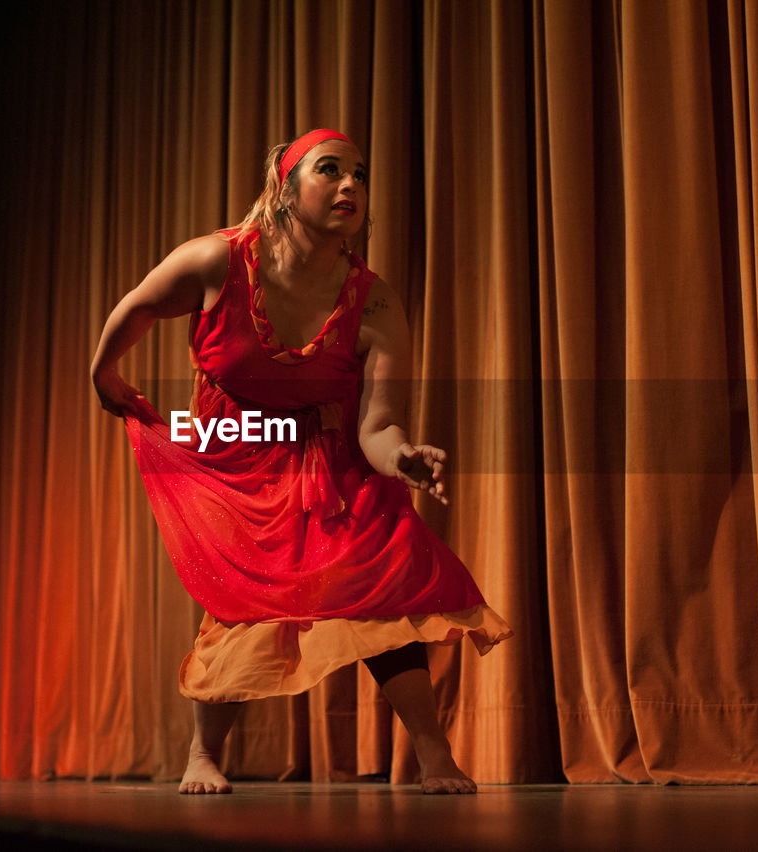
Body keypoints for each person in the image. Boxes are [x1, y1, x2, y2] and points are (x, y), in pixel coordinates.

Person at [91, 129, 511, 795]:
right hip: (235, 452)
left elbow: (375, 423)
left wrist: (400, 456)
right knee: (242, 599)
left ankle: (434, 752)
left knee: (380, 589)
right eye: (330, 170)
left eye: (360, 175)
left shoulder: (372, 302)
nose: (350, 185)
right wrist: (105, 375)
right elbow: (137, 308)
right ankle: (204, 754)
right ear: (285, 192)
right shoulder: (216, 261)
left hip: (329, 454)